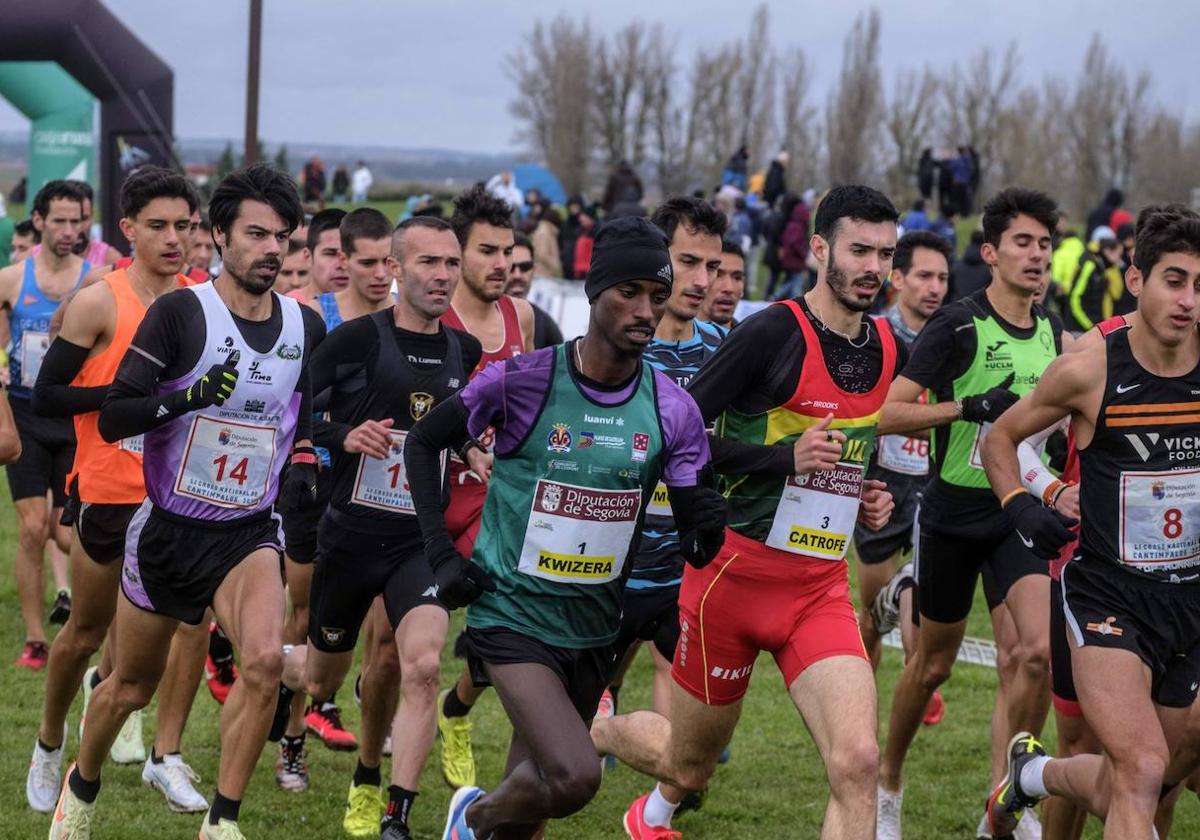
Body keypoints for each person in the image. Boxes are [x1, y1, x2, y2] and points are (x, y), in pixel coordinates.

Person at [402, 214, 724, 840]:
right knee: (577, 776)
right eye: (628, 292)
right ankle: (471, 814)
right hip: (512, 616)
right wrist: (442, 557)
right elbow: (423, 443)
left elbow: (694, 521)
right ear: (593, 292)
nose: (644, 310)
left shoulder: (671, 407)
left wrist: (706, 529)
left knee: (533, 814)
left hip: (594, 627)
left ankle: (484, 822)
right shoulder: (524, 381)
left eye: (656, 297)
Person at [600, 185, 901, 839]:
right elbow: (676, 435)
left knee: (858, 762)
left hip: (818, 587)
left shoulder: (886, 345)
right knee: (690, 764)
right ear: (820, 249)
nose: (874, 266)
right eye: (860, 250)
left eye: (885, 252)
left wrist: (866, 492)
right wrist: (781, 461)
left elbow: (850, 448)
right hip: (730, 584)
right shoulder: (771, 332)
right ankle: (592, 722)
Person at [48, 162, 324, 840]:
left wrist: (311, 461)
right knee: (129, 688)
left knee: (262, 661)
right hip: (169, 530)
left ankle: (221, 822)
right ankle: (79, 791)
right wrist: (189, 398)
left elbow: (308, 417)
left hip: (248, 533)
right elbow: (115, 417)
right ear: (219, 238)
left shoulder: (304, 326)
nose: (269, 250)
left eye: (281, 238)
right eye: (255, 234)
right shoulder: (181, 313)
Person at [980, 204, 1200, 840]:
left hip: (1188, 599)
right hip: (1107, 595)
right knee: (1143, 767)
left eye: (1199, 285)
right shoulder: (1090, 366)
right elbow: (1001, 439)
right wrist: (1026, 503)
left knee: (1160, 775)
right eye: (1174, 280)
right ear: (1136, 281)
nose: (1188, 300)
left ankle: (1033, 775)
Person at [281, 215, 483, 839]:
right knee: (320, 677)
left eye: (451, 263)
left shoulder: (464, 351)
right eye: (428, 263)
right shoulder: (358, 341)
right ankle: (271, 663)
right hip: (349, 538)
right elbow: (293, 409)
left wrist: (472, 449)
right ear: (395, 269)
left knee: (421, 665)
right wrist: (344, 434)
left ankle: (393, 807)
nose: (443, 276)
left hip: (419, 542)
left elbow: (454, 426)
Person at [874, 188, 1067, 839]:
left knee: (1037, 655)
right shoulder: (957, 323)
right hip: (952, 515)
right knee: (932, 666)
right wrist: (965, 408)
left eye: (1044, 244)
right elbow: (889, 413)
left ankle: (1005, 804)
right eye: (1023, 242)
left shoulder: (1053, 330)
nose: (1036, 255)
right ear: (990, 253)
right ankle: (887, 780)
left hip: (1017, 515)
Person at [26, 166, 212, 816]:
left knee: (191, 624)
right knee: (85, 631)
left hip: (183, 493)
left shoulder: (202, 301)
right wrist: (130, 399)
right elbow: (47, 395)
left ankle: (165, 755)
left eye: (184, 226)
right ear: (128, 228)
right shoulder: (99, 300)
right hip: (109, 490)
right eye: (157, 225)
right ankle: (50, 741)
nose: (173, 238)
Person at [596, 196, 726, 731]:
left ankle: (650, 796)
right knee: (570, 735)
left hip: (687, 569)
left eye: (711, 266)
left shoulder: (726, 346)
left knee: (702, 738)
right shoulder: (619, 348)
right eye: (688, 262)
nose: (700, 280)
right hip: (607, 565)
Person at [278, 208, 397, 779]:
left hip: (379, 492)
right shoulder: (310, 316)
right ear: (341, 261)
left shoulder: (409, 322)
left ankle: (372, 708)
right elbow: (290, 405)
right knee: (302, 612)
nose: (379, 274)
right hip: (316, 481)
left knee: (387, 615)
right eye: (366, 262)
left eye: (386, 261)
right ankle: (292, 730)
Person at [433, 183, 535, 790]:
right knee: (389, 653)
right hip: (416, 496)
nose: (501, 264)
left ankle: (457, 708)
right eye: (487, 251)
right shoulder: (427, 311)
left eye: (508, 252)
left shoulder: (519, 317)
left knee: (509, 622)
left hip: (490, 504)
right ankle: (318, 720)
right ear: (458, 253)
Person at [0, 179, 90, 668]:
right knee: (33, 529)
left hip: (75, 422)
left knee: (65, 534)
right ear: (38, 221)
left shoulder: (95, 280)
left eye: (77, 220)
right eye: (59, 220)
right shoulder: (13, 279)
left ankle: (81, 622)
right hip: (26, 416)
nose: (69, 230)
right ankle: (35, 640)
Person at [853, 231, 951, 671]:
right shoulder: (872, 336)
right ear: (897, 278)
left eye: (943, 278)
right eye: (924, 276)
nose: (935, 287)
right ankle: (859, 718)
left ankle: (920, 675)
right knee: (872, 619)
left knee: (925, 626)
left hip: (933, 489)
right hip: (882, 487)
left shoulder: (953, 337)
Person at [505, 231, 563, 349]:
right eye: (511, 267)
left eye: (525, 267)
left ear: (534, 269)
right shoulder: (476, 319)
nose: (518, 275)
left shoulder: (545, 325)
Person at [1066, 226, 1126, 334]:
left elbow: (1116, 293)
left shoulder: (1103, 268)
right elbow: (1075, 297)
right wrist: (1090, 326)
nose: (1119, 259)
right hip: (1080, 329)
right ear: (1108, 251)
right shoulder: (1090, 265)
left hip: (1093, 328)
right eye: (1118, 254)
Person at [286, 208, 349, 306]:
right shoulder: (286, 309)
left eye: (348, 254)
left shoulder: (376, 310)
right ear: (308, 257)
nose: (341, 265)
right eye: (330, 254)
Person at [699, 240, 746, 328]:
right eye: (718, 275)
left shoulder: (750, 339)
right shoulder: (670, 338)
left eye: (737, 277)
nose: (729, 288)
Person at [531, 207, 562, 279]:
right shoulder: (545, 232)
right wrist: (555, 266)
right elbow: (542, 253)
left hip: (542, 270)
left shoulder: (544, 230)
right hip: (544, 272)